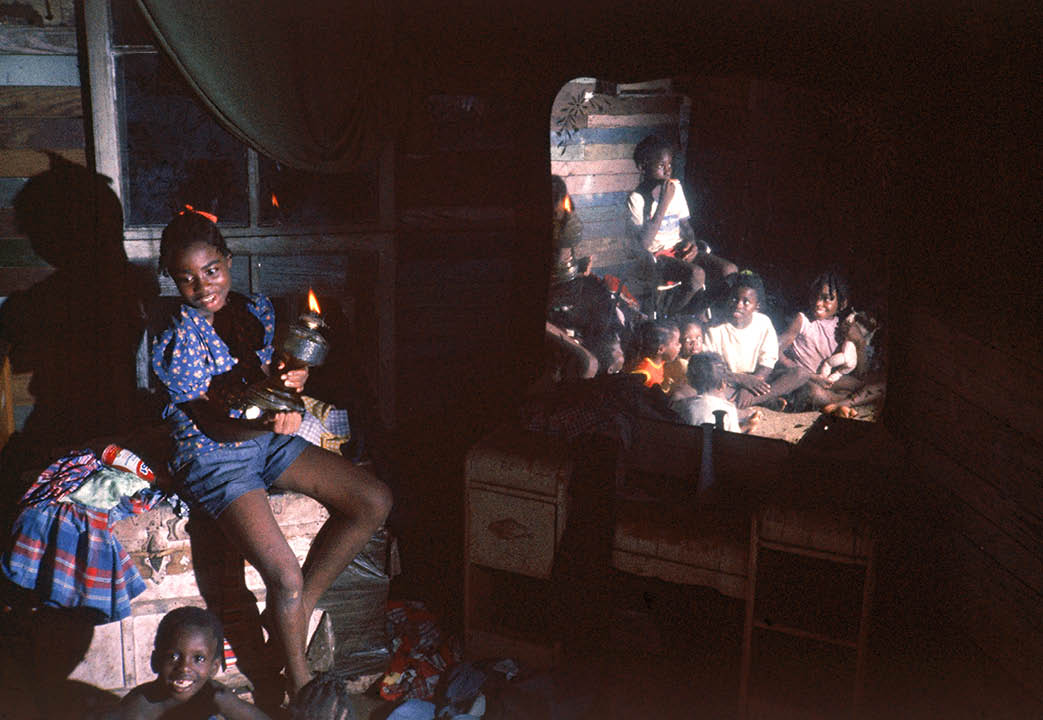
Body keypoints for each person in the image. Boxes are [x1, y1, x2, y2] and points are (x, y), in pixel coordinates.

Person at [150, 210, 393, 698]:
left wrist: (291, 380)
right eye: (187, 279)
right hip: (211, 454)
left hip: (261, 442)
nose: (202, 287)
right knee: (284, 576)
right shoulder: (175, 334)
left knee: (374, 500)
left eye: (211, 271)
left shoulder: (253, 311)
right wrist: (266, 417)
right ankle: (299, 689)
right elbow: (213, 422)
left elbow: (268, 384)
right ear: (175, 282)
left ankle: (300, 606)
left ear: (229, 261)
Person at [625, 135, 736, 317]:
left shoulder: (675, 187)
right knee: (696, 275)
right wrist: (663, 203)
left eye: (670, 165)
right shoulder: (635, 199)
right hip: (654, 258)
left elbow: (685, 225)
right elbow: (643, 244)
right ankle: (669, 316)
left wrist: (691, 243)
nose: (668, 171)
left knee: (729, 271)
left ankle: (695, 311)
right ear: (642, 167)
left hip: (678, 250)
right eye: (661, 166)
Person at [105, 606, 269, 719]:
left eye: (198, 659)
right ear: (156, 661)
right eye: (173, 657)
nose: (184, 668)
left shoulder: (215, 695)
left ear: (214, 668)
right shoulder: (139, 708)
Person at [703, 270, 807, 409]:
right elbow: (713, 370)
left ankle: (749, 400)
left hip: (758, 378)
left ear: (757, 306)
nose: (739, 305)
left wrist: (750, 386)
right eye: (734, 299)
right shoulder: (714, 328)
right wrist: (743, 380)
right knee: (705, 390)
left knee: (801, 373)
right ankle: (762, 400)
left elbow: (767, 362)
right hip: (728, 381)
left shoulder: (763, 323)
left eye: (746, 302)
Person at [671, 352, 763, 433]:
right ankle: (747, 426)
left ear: (690, 381)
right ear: (723, 383)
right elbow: (733, 439)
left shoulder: (683, 405)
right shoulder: (728, 409)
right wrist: (745, 427)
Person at [628, 319, 680, 390]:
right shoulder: (644, 373)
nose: (680, 345)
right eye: (676, 344)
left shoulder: (661, 362)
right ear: (661, 349)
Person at [662, 317, 704, 399]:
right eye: (688, 339)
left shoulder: (699, 360)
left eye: (698, 338)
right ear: (679, 341)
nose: (694, 343)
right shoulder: (681, 364)